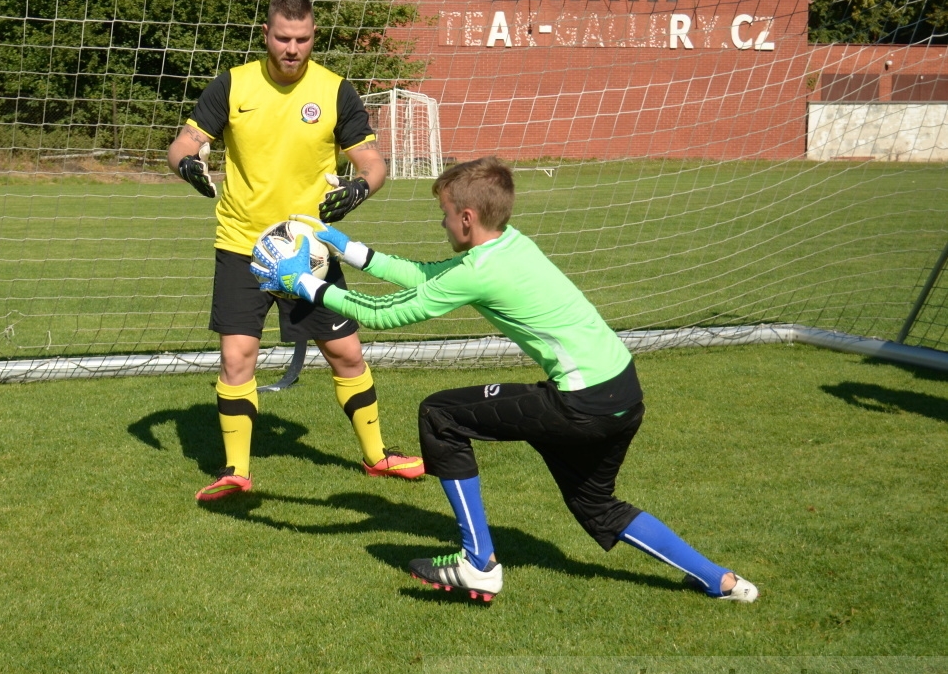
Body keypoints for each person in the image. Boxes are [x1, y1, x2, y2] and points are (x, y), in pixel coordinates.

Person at [252, 157, 759, 603]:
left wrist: (306, 285)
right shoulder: (510, 244)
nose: (443, 220)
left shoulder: (482, 270)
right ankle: (721, 579)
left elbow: (381, 315)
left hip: (580, 404)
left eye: (447, 213)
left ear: (467, 218)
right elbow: (432, 276)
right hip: (624, 393)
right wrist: (350, 250)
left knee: (440, 414)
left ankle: (478, 563)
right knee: (597, 507)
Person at [167, 0, 425, 502]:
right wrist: (189, 165)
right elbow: (183, 143)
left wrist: (358, 189)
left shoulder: (334, 91)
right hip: (244, 245)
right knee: (237, 357)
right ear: (266, 34)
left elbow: (374, 164)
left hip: (308, 250)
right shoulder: (233, 84)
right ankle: (236, 471)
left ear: (313, 37)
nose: (292, 48)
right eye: (283, 38)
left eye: (302, 39)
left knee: (347, 353)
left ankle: (377, 457)